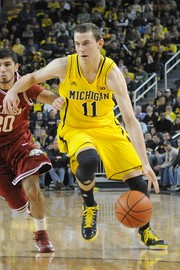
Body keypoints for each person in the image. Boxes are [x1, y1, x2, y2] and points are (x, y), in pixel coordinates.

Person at [3, 23, 168, 250]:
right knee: (88, 159)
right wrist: (12, 91)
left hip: (107, 127)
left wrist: (146, 163)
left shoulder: (111, 73)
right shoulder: (65, 65)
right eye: (77, 44)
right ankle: (89, 206)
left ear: (99, 44)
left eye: (86, 43)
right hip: (76, 128)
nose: (81, 48)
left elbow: (130, 119)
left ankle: (146, 231)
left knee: (139, 180)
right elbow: (31, 77)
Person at [0, 48, 56, 253]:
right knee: (19, 207)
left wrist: (57, 101)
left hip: (19, 144)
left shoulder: (24, 84)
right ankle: (27, 208)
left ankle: (41, 234)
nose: (2, 70)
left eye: (7, 65)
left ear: (16, 67)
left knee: (33, 189)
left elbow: (46, 96)